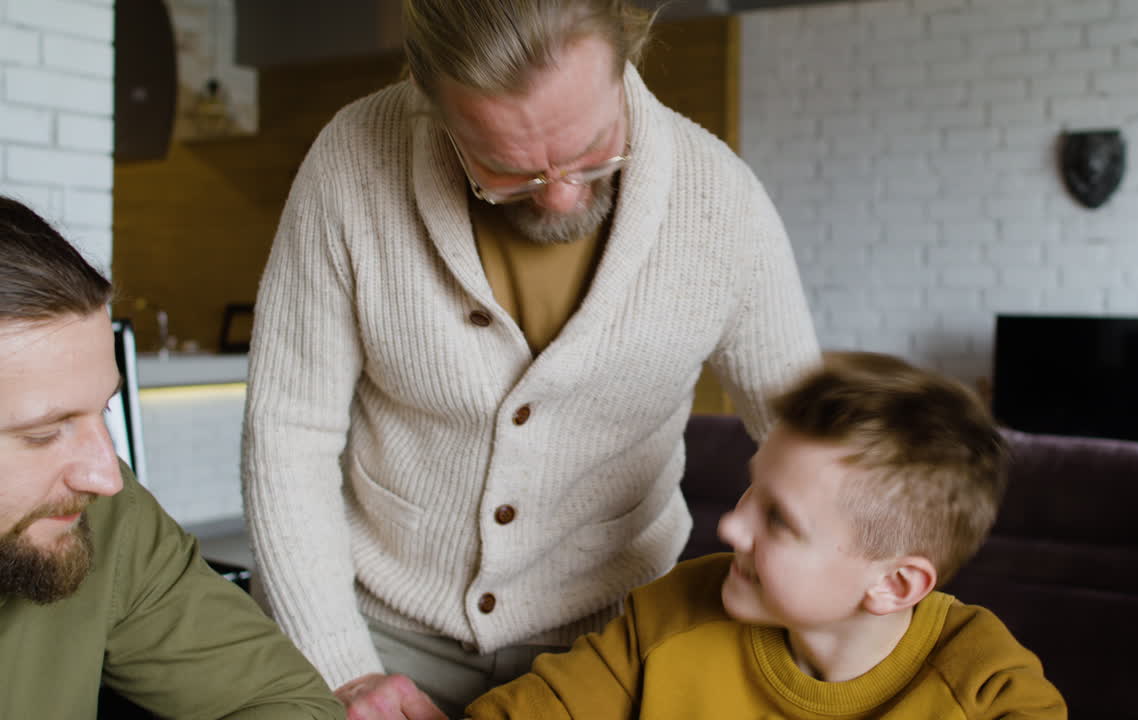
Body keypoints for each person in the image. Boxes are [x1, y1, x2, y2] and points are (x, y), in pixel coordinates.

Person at [242, 0, 820, 717]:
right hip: (374, 628)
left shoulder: (723, 203)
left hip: (613, 642)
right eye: (507, 170)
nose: (562, 197)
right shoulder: (352, 162)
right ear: (431, 103)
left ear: (627, 58)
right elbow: (288, 432)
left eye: (592, 150)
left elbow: (813, 434)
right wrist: (338, 663)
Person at [464, 352, 1068, 719]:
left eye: (779, 520)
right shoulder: (672, 614)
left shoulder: (988, 688)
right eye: (752, 489)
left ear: (894, 582)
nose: (729, 525)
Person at [0, 196, 345, 719]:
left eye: (105, 408)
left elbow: (289, 704)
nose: (107, 477)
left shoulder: (103, 521)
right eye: (46, 433)